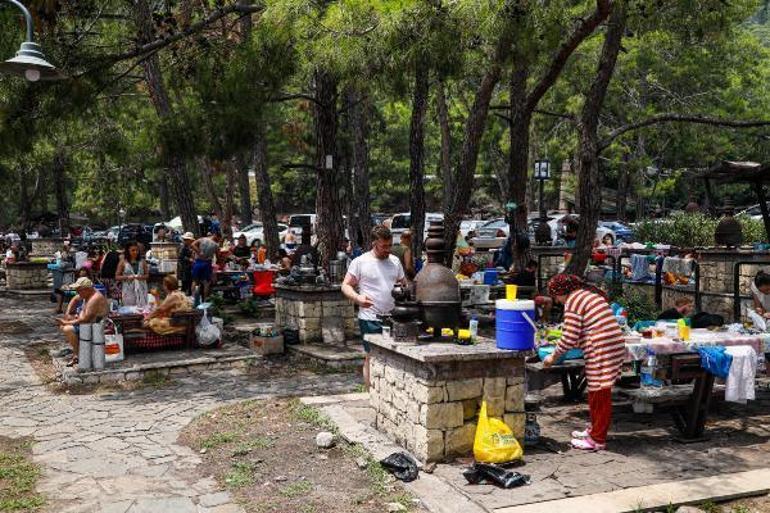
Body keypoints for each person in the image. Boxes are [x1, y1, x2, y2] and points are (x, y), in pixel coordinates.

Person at [542, 274, 624, 451]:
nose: (557, 300)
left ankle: (597, 440)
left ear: (562, 291)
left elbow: (569, 337)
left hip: (601, 346)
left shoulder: (573, 301)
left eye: (556, 296)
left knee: (600, 393)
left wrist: (552, 357)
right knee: (597, 390)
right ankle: (595, 430)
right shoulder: (586, 294)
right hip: (611, 343)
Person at [341, 225, 405, 389]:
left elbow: (403, 284)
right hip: (370, 318)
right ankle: (370, 391)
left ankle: (388, 390)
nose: (388, 249)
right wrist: (357, 298)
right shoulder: (360, 262)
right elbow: (345, 285)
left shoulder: (395, 261)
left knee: (394, 356)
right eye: (384, 246)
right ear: (374, 243)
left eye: (390, 245)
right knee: (371, 356)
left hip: (394, 317)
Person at [57, 277, 109, 367]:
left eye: (79, 290)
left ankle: (78, 354)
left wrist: (67, 322)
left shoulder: (94, 298)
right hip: (87, 324)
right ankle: (77, 353)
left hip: (95, 327)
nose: (77, 292)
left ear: (87, 289)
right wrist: (67, 313)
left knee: (67, 328)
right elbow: (75, 299)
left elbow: (85, 319)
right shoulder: (87, 293)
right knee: (64, 327)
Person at [116, 242, 150, 307]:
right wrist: (127, 277)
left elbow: (147, 275)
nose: (135, 252)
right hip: (128, 289)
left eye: (137, 250)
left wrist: (141, 277)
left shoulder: (142, 261)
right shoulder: (123, 262)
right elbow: (117, 276)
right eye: (133, 250)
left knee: (142, 308)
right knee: (129, 307)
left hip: (141, 289)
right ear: (128, 251)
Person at [191, 232, 221, 300]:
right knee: (206, 283)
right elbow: (218, 257)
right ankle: (205, 300)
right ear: (216, 237)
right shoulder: (216, 245)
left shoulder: (202, 239)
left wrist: (199, 252)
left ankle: (194, 299)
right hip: (207, 263)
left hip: (198, 262)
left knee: (195, 282)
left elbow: (192, 245)